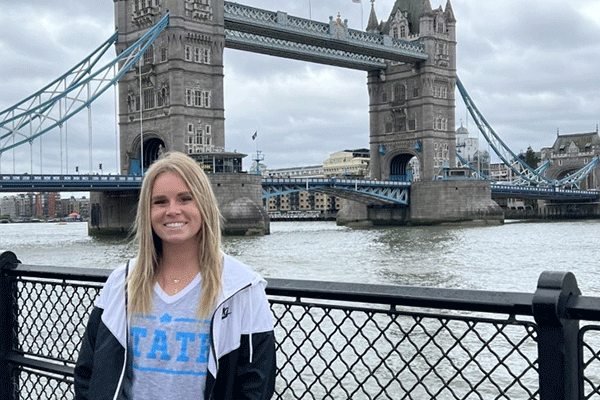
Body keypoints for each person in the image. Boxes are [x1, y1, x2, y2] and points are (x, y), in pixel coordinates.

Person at [74, 151, 276, 399]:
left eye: (185, 199)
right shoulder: (120, 283)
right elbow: (87, 374)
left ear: (204, 205)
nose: (172, 211)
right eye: (160, 202)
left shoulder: (242, 288)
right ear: (146, 211)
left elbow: (256, 385)